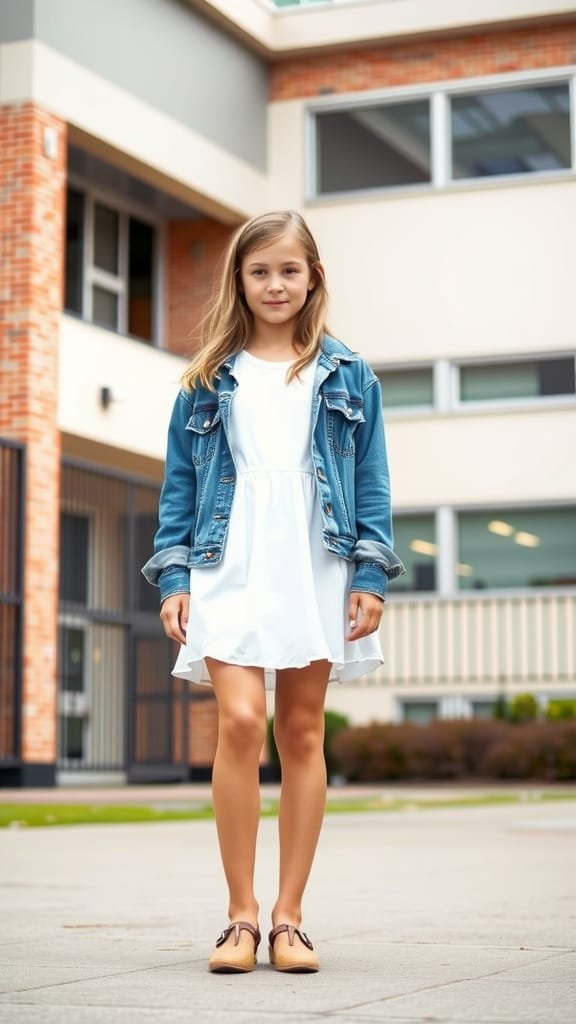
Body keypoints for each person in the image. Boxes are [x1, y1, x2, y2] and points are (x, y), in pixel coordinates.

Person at [142, 210, 405, 974]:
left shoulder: (350, 375)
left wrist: (368, 576)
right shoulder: (204, 381)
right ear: (240, 281)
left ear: (312, 276)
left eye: (289, 269)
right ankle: (240, 918)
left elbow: (374, 484)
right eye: (260, 271)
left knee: (299, 734)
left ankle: (289, 919)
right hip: (228, 561)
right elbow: (181, 490)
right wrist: (175, 576)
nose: (275, 284)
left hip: (316, 562)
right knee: (240, 723)